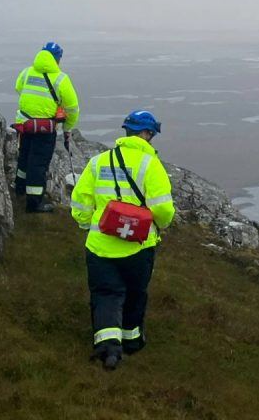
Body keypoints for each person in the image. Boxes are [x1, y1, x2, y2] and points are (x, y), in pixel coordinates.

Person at [70, 110, 176, 370]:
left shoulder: (98, 162)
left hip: (99, 246)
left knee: (106, 293)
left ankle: (108, 348)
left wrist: (87, 224)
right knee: (135, 294)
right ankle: (132, 341)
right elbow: (163, 210)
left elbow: (80, 202)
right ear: (146, 134)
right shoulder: (151, 165)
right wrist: (159, 227)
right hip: (139, 247)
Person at [13, 41, 81, 213]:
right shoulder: (61, 79)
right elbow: (72, 108)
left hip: (25, 125)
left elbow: (18, 88)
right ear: (57, 59)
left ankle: (19, 189)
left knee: (24, 157)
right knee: (38, 163)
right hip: (45, 129)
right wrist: (67, 128)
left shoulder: (27, 72)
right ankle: (34, 202)